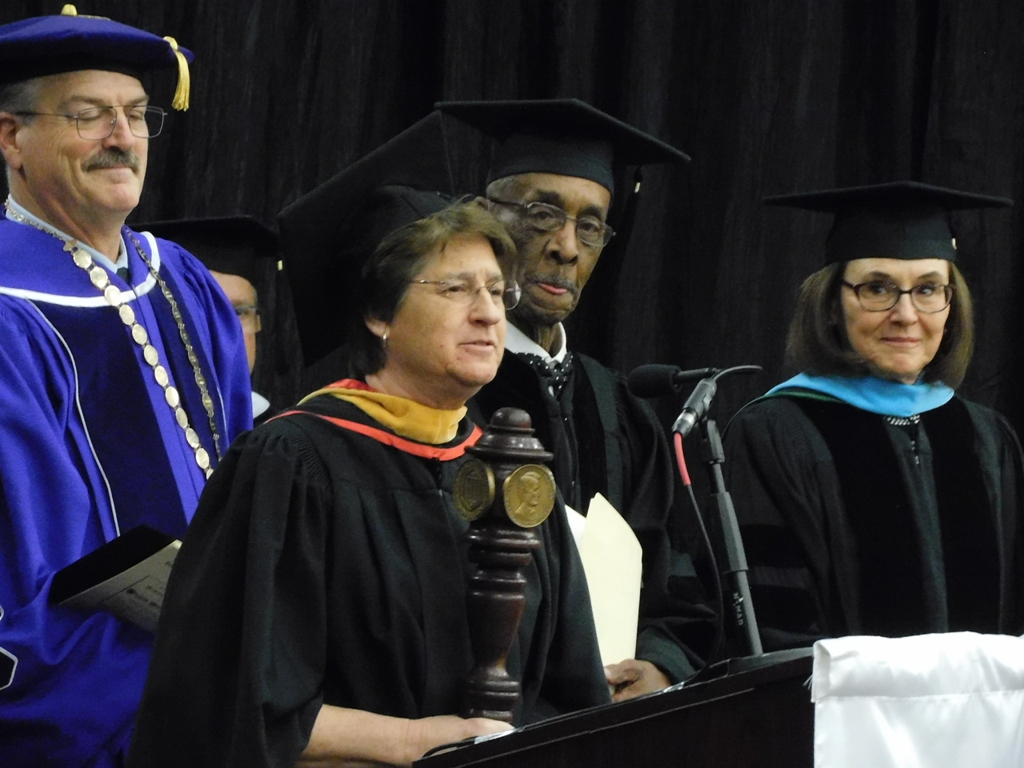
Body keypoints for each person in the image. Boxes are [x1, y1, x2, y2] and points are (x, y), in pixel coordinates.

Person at [129, 131, 610, 767]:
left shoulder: (512, 469)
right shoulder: (294, 463)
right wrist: (412, 743)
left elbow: (575, 697)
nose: (489, 315)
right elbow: (231, 706)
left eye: (497, 291)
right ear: (378, 313)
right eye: (456, 289)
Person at [0, 8, 252, 766]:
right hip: (99, 692)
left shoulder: (182, 280)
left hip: (221, 649)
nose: (121, 137)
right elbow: (25, 559)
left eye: (137, 115)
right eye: (89, 115)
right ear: (11, 138)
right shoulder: (7, 309)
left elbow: (241, 464)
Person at [438, 99, 715, 698]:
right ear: (483, 217)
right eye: (542, 214)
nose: (566, 247)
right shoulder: (446, 394)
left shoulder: (622, 409)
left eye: (590, 227)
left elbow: (670, 577)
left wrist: (661, 663)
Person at [724, 181, 1024, 651]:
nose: (905, 314)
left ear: (951, 305)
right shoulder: (774, 435)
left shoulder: (987, 438)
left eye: (928, 289)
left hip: (986, 701)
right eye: (877, 288)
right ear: (831, 305)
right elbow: (772, 632)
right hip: (836, 700)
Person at [139, 216, 279, 423]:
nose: (225, 331)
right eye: (203, 312)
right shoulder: (140, 429)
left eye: (238, 312)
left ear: (257, 322)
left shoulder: (280, 435)